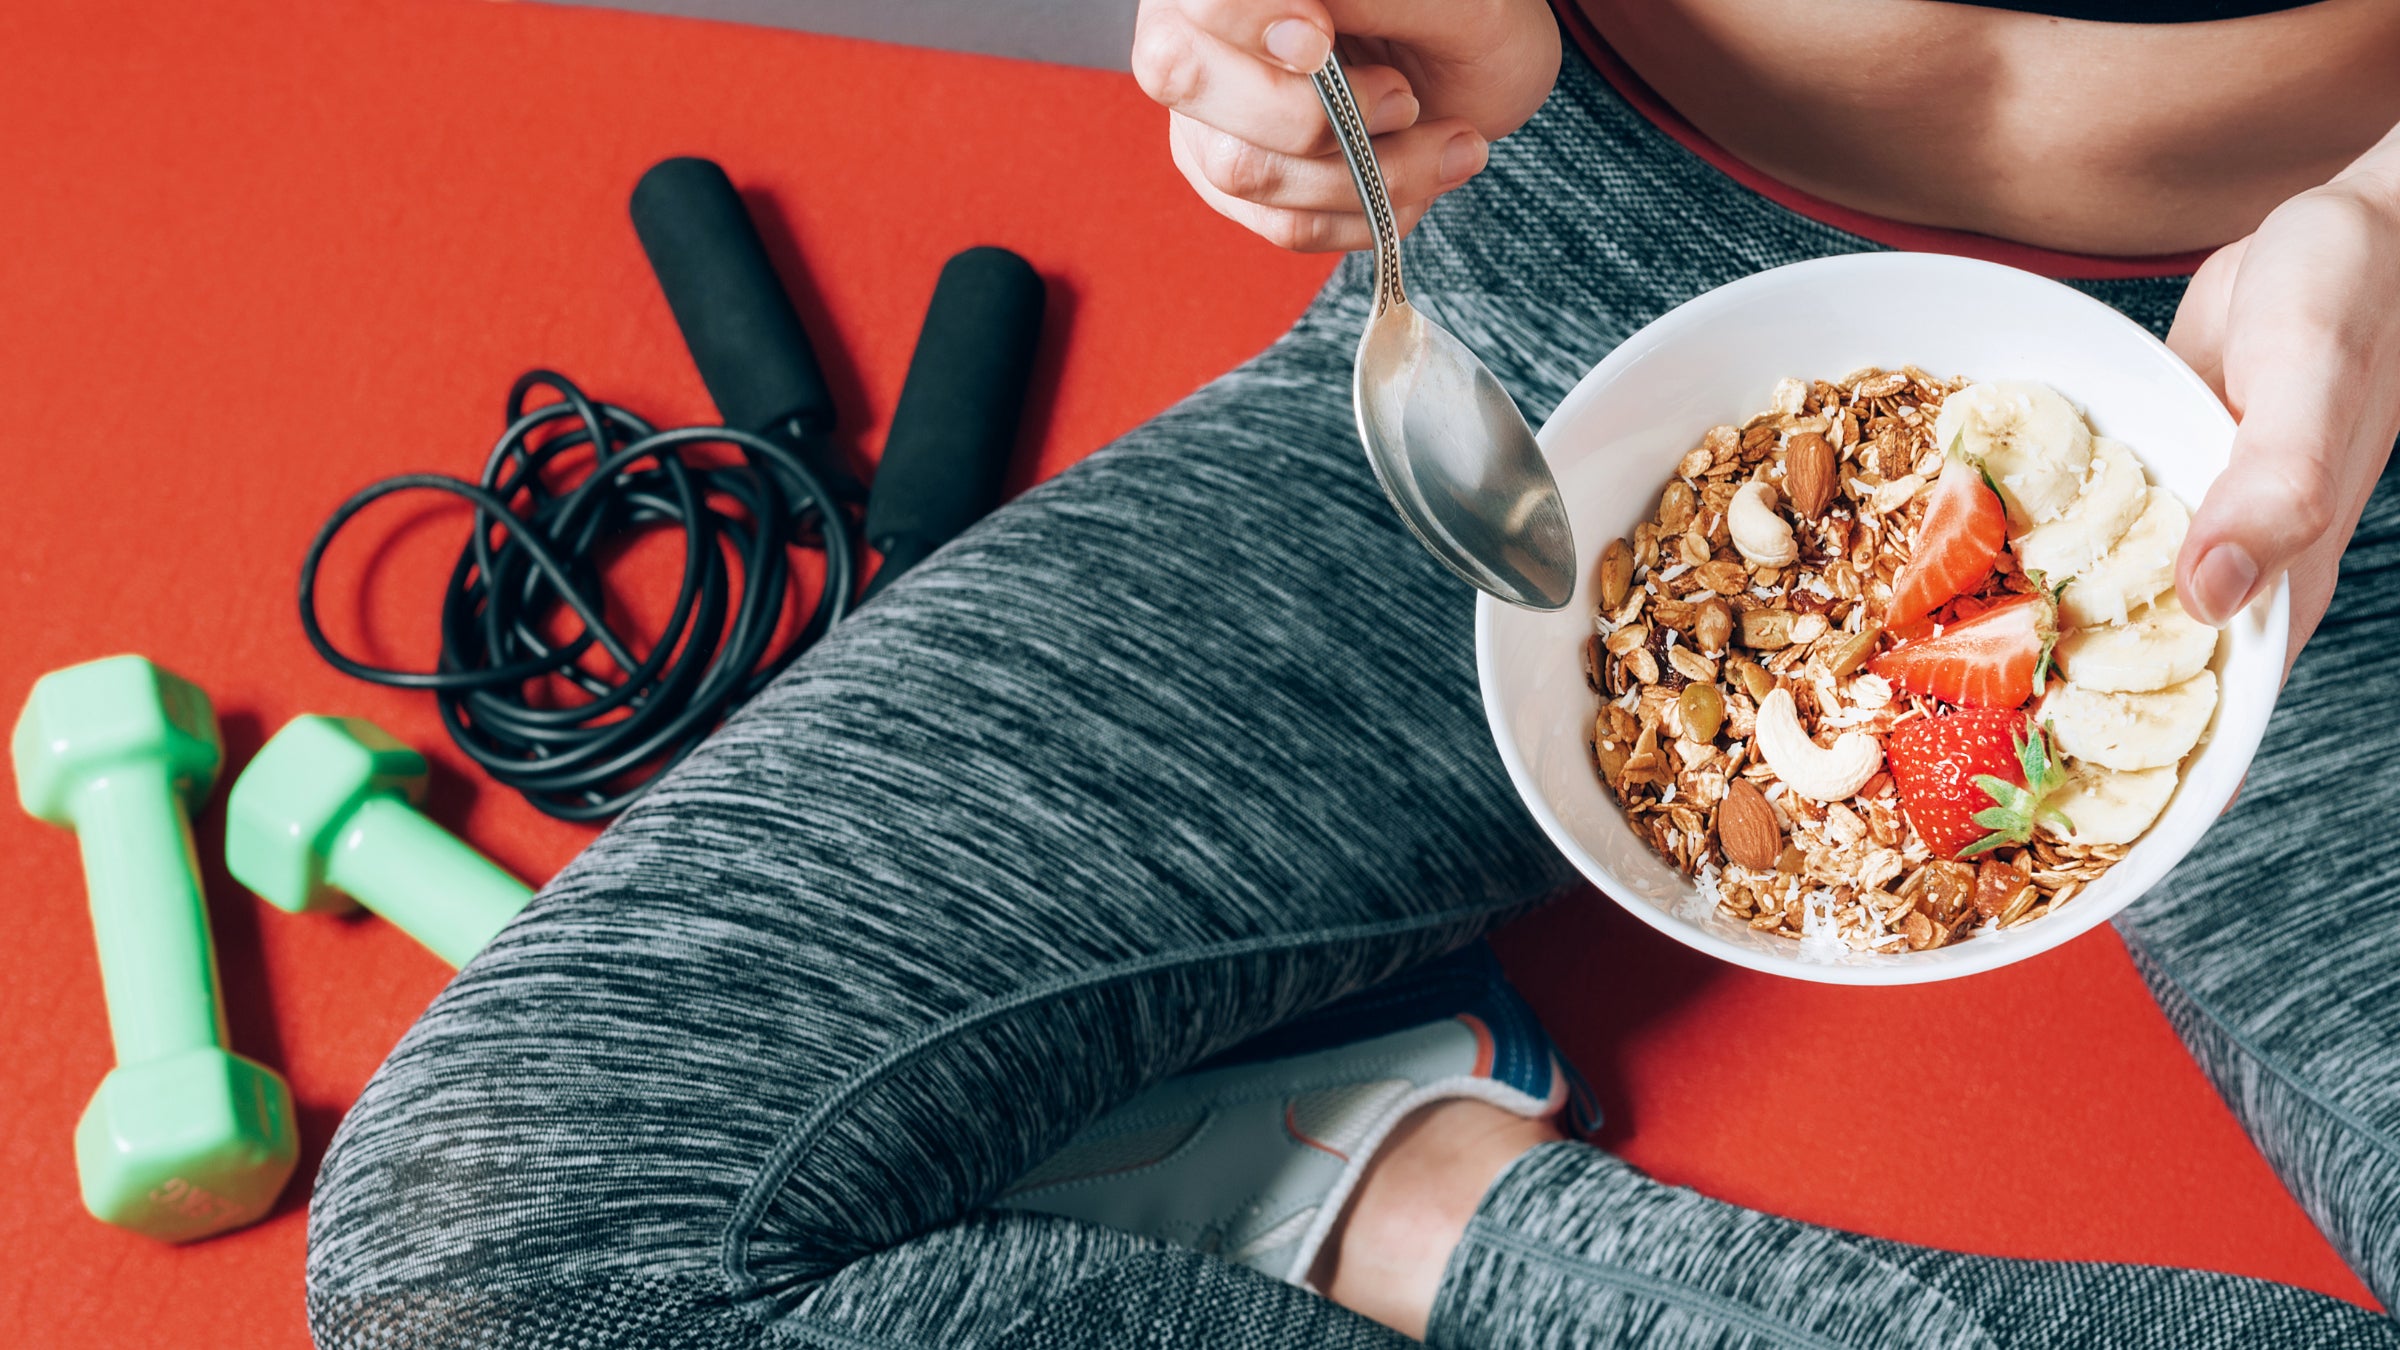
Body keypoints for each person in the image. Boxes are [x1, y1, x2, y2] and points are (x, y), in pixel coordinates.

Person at [302, 2, 2400, 1346]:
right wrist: (1302, 28)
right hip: (1548, 299)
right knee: (512, 1260)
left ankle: (1396, 1199)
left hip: (2340, 362)